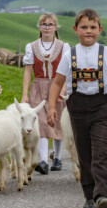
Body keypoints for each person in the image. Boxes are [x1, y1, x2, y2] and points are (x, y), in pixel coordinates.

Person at [47, 9, 107, 208]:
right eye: (84, 27)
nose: (89, 31)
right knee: (84, 154)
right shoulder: (69, 55)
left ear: (99, 30)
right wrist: (51, 108)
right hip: (77, 106)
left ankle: (103, 196)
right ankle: (89, 196)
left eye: (93, 28)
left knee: (102, 151)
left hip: (103, 105)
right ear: (76, 30)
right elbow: (57, 83)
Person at [21, 13, 70, 174]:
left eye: (50, 24)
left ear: (55, 27)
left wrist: (63, 89)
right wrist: (25, 94)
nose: (47, 27)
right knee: (40, 123)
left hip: (57, 86)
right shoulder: (32, 46)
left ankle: (57, 157)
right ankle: (42, 160)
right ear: (39, 27)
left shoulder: (64, 47)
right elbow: (28, 71)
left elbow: (66, 71)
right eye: (44, 24)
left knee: (57, 121)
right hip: (38, 88)